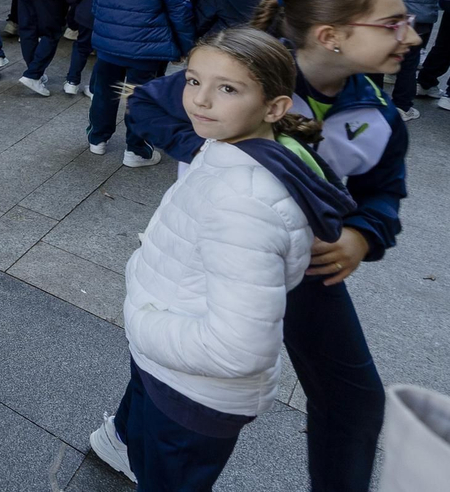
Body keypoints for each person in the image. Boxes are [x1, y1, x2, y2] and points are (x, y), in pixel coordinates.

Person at [121, 0, 413, 492]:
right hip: (214, 247)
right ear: (331, 36)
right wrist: (218, 153)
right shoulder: (240, 68)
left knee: (352, 397)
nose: (411, 36)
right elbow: (148, 103)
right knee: (166, 364)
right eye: (392, 24)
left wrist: (363, 234)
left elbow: (383, 192)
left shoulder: (381, 113)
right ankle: (127, 437)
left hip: (305, 263)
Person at [87, 27, 355, 491]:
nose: (200, 101)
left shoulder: (245, 203)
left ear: (275, 107)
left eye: (227, 89)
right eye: (193, 81)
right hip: (173, 365)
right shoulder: (230, 145)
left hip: (193, 392)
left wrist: (141, 321)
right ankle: (123, 444)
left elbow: (237, 350)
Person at [86, 0, 193, 165]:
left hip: (109, 43)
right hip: (148, 49)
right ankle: (136, 150)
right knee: (140, 96)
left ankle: (97, 139)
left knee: (105, 91)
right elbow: (181, 13)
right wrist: (186, 47)